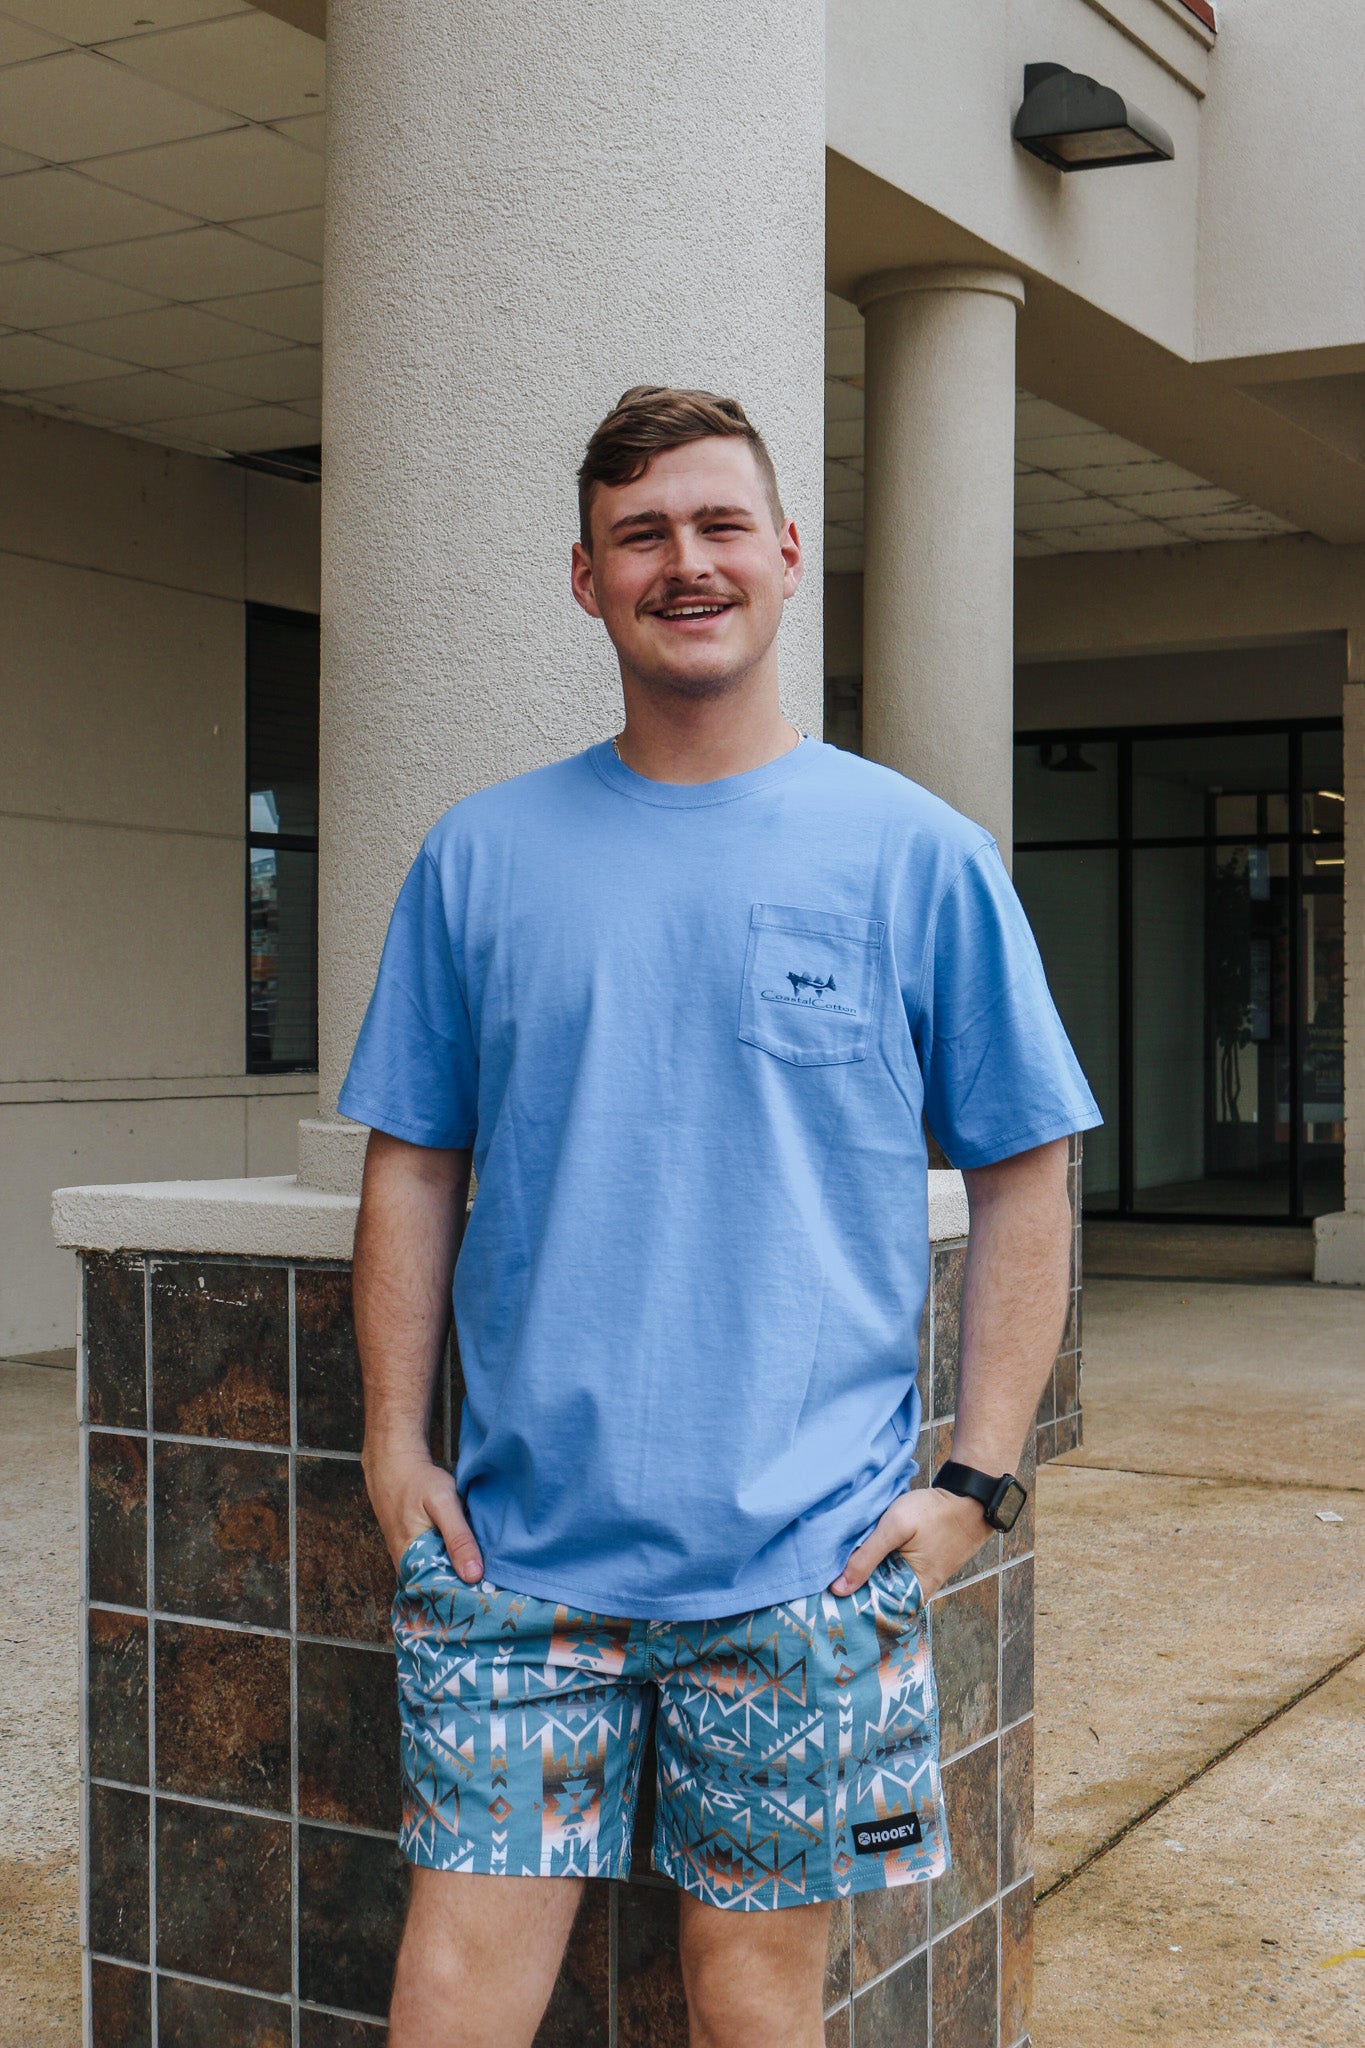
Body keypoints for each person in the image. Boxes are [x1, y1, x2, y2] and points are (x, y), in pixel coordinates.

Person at [341, 385, 1101, 2047]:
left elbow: (1022, 1169)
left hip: (805, 1572)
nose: (683, 564)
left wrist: (976, 1477)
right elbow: (412, 1162)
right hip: (514, 1564)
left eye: (712, 526)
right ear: (584, 577)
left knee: (755, 2007)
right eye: (639, 536)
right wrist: (395, 1443)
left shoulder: (916, 854)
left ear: (784, 552)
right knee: (450, 1997)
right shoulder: (479, 858)